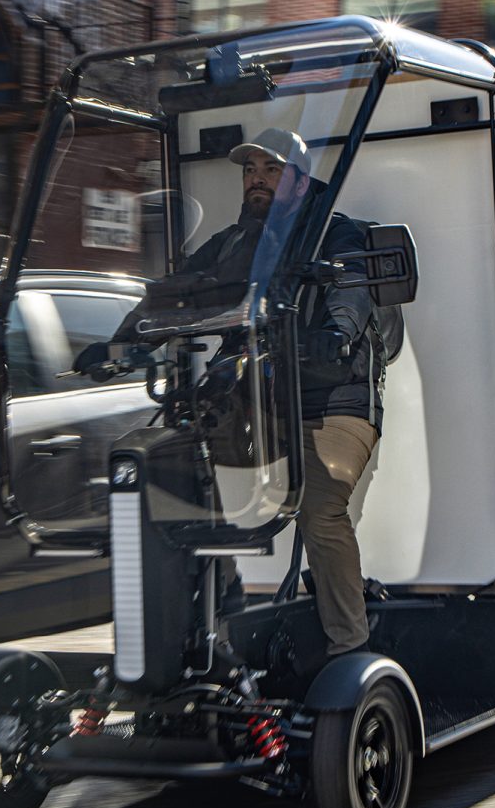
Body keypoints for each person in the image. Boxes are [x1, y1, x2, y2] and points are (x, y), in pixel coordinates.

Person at [74, 127, 384, 657]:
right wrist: (121, 344)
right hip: (256, 403)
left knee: (318, 510)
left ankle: (348, 647)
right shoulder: (235, 243)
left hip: (333, 404)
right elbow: (173, 294)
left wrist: (336, 333)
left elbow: (350, 290)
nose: (256, 179)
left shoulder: (335, 234)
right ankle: (223, 628)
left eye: (271, 170)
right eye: (250, 170)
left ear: (301, 182)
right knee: (193, 501)